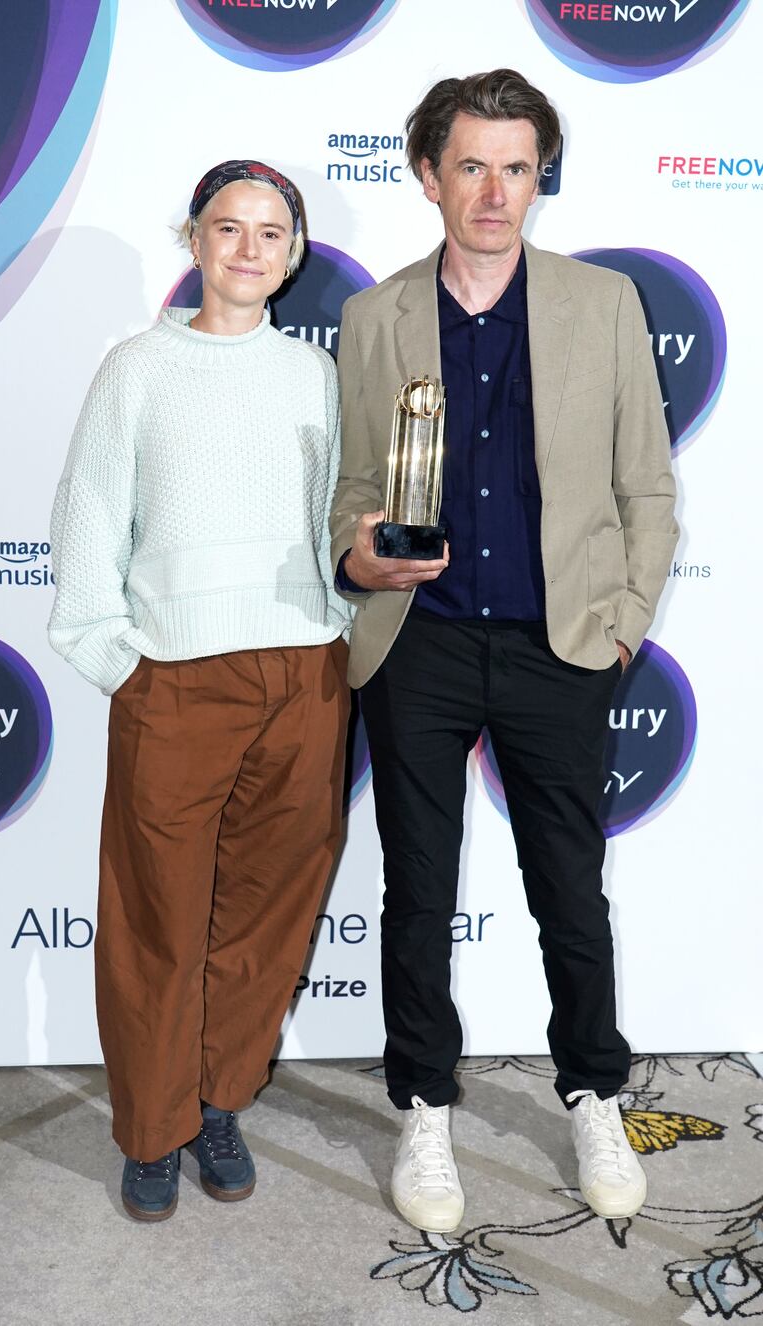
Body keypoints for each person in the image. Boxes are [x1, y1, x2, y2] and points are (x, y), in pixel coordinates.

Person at [330, 70, 678, 1233]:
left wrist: (621, 622)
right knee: (416, 894)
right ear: (428, 175)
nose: (492, 191)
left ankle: (590, 1088)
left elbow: (645, 486)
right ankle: (423, 1107)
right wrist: (360, 554)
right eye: (469, 165)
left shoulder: (603, 303)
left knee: (568, 895)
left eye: (515, 167)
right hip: (416, 645)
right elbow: (352, 491)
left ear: (541, 176)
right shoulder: (371, 316)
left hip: (558, 647)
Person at [49, 160, 351, 1222]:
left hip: (303, 676)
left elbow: (330, 526)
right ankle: (151, 1128)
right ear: (194, 240)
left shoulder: (314, 376)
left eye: (272, 233)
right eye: (229, 228)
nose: (249, 250)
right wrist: (116, 660)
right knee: (156, 923)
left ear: (293, 254)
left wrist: (338, 635)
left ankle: (220, 1100)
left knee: (265, 914)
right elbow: (88, 521)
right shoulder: (136, 368)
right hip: (174, 681)